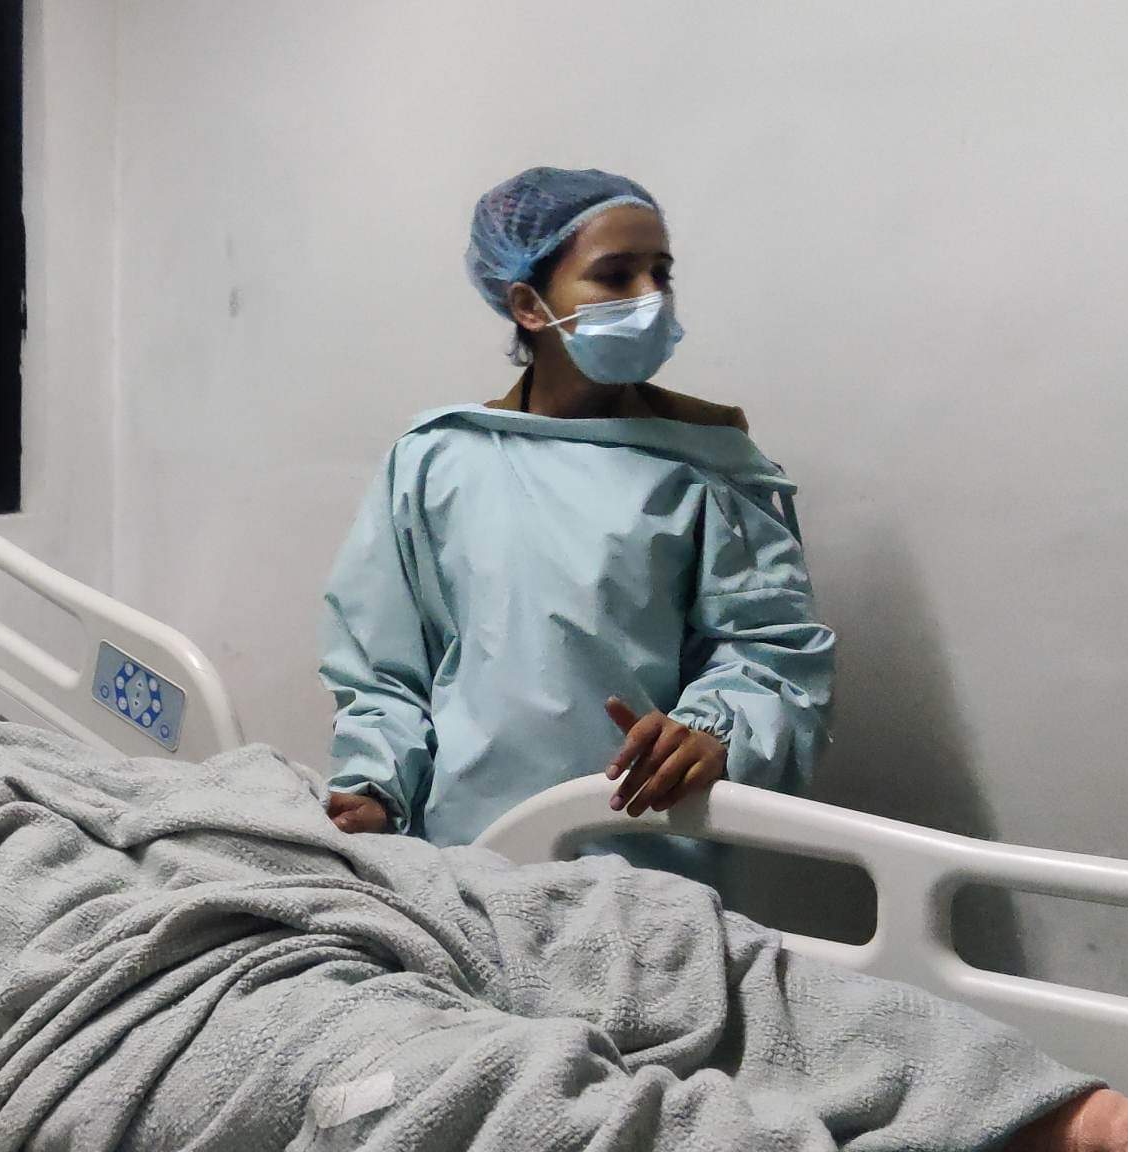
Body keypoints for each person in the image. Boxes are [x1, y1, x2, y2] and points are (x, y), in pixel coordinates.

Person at [0, 606, 1128, 1152]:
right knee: (439, 1092)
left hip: (271, 862)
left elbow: (107, 772)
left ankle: (1115, 1133)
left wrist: (285, 814)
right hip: (75, 981)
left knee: (659, 942)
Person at [319, 167, 836, 879]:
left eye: (661, 273)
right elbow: (385, 671)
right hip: (465, 859)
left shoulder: (703, 467)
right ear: (528, 304)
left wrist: (715, 731)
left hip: (651, 863)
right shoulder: (437, 463)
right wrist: (376, 789)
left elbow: (772, 652)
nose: (649, 297)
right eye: (616, 276)